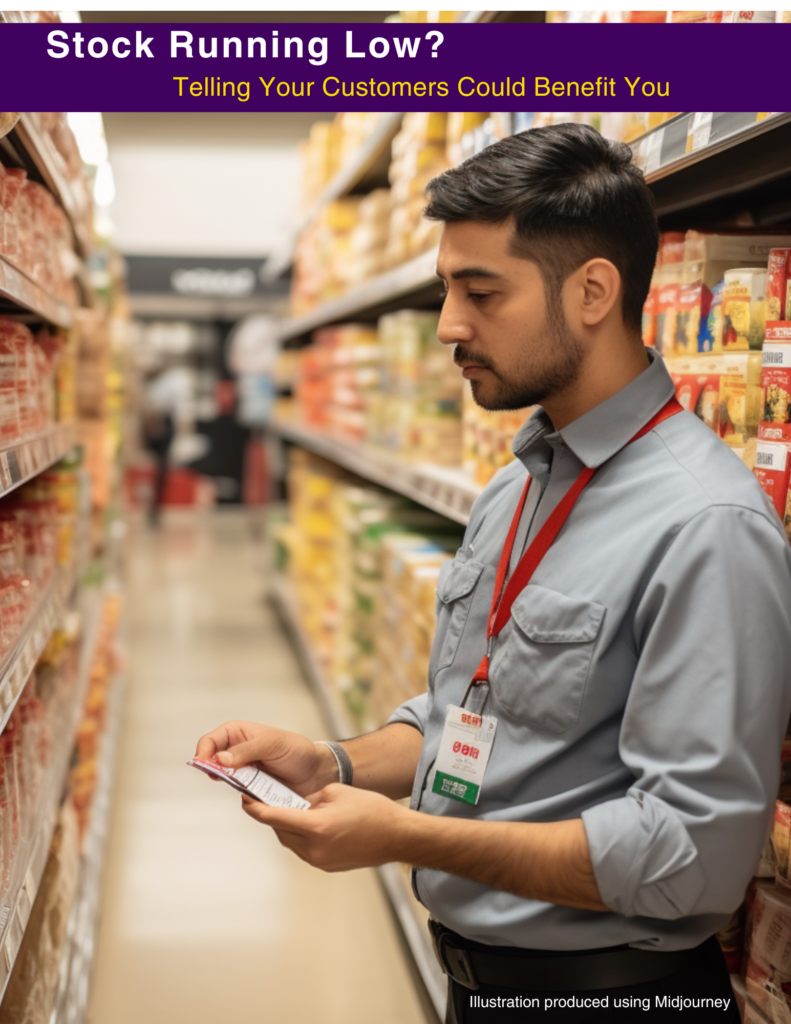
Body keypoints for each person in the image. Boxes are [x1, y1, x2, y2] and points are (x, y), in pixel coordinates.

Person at [196, 124, 791, 1022]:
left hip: (615, 998)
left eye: (481, 292)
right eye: (445, 288)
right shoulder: (514, 486)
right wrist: (333, 762)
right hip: (480, 986)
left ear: (593, 291)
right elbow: (470, 716)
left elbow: (691, 853)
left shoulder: (707, 524)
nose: (447, 326)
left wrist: (405, 836)